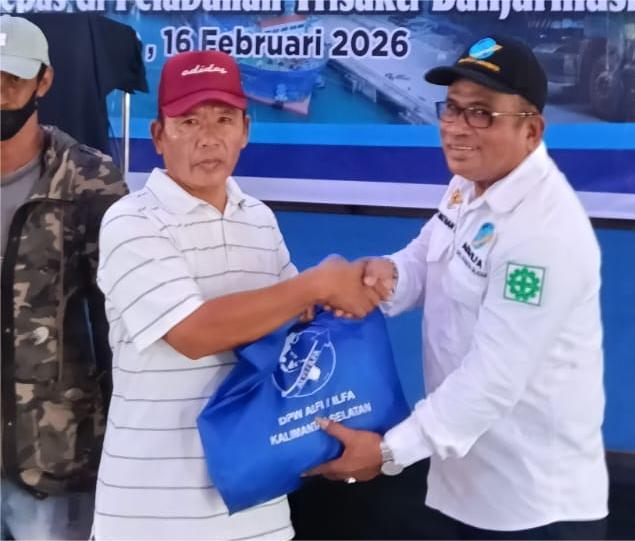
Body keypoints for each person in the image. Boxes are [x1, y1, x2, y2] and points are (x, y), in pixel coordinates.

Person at [307, 35, 609, 540]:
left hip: (534, 509)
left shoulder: (542, 234)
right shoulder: (471, 184)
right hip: (467, 488)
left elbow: (493, 378)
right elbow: (426, 258)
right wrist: (380, 278)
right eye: (451, 108)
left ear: (531, 129)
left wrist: (388, 451)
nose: (456, 127)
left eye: (482, 114)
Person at [93, 50, 384, 540]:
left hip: (258, 511)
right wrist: (316, 284)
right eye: (188, 122)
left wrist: (365, 281)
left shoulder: (259, 218)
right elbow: (193, 333)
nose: (208, 138)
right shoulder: (131, 221)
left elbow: (299, 325)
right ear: (159, 136)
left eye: (224, 119)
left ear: (245, 130)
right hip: (150, 516)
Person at [0, 15, 128, 540]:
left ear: (44, 81)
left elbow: (119, 320)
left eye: (12, 80)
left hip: (49, 453)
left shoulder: (90, 181)